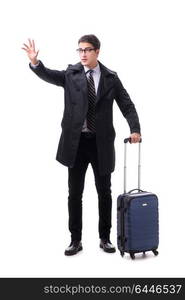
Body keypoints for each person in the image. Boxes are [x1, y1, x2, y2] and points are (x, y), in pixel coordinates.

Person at [22, 34, 141, 256]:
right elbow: (49, 75)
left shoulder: (111, 78)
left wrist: (135, 129)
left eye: (87, 50)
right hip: (75, 144)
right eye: (80, 50)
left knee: (104, 192)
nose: (83, 54)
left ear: (97, 51)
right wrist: (36, 63)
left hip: (101, 144)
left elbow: (127, 105)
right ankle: (75, 240)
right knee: (74, 193)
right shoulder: (72, 74)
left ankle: (104, 238)